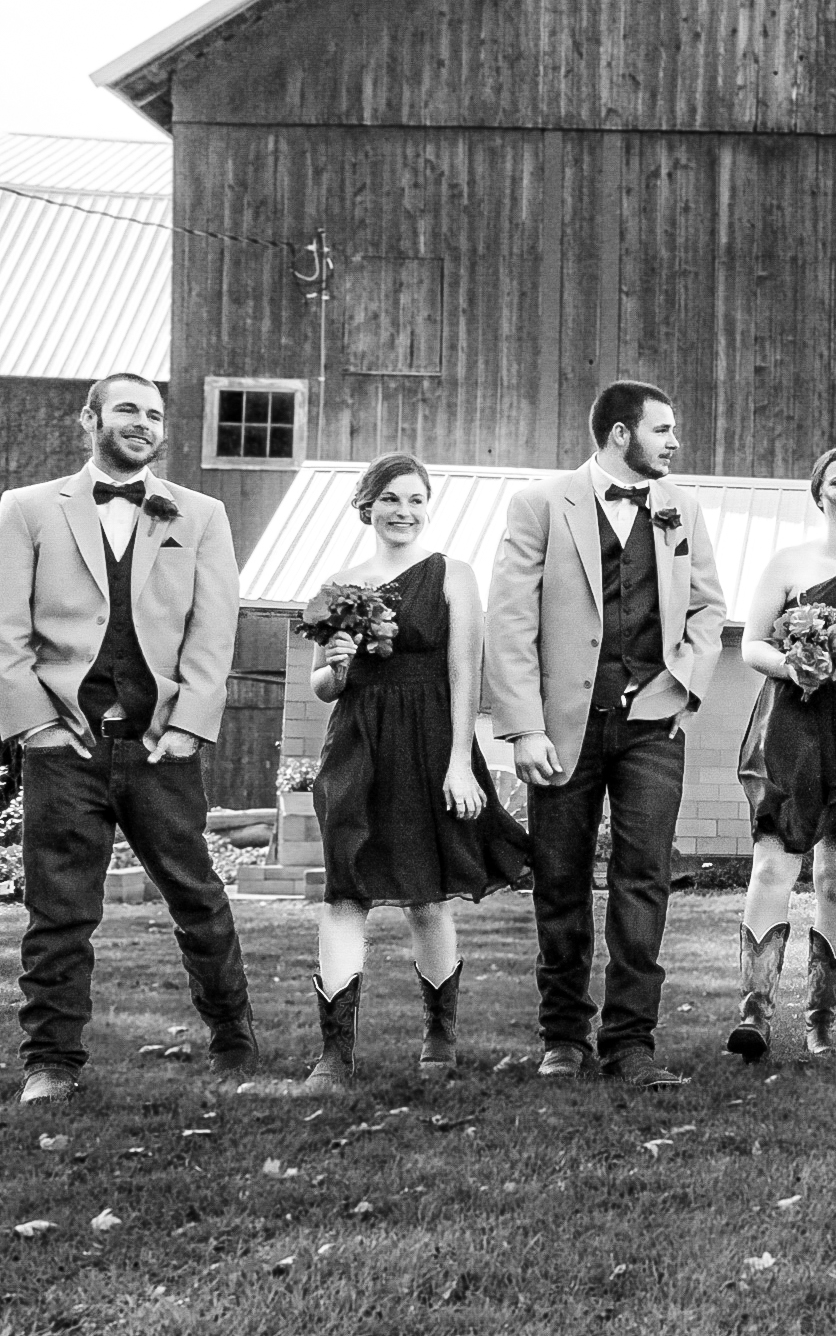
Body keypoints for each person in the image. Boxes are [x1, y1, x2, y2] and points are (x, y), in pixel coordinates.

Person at [0, 373, 256, 1104]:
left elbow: (214, 630)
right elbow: (6, 631)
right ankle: (51, 1060)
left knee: (197, 894)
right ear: (90, 419)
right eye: (126, 410)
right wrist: (38, 727)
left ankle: (233, 1033)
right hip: (64, 746)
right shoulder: (25, 510)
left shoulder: (199, 514)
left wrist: (186, 728)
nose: (142, 422)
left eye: (153, 413)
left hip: (159, 746)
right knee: (59, 909)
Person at [486, 381, 726, 1089]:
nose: (674, 442)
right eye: (663, 429)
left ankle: (630, 1042)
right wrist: (524, 728)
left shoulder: (683, 507)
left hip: (653, 720)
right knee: (559, 877)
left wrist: (686, 686)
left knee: (644, 876)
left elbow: (709, 609)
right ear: (621, 435)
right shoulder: (540, 504)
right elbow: (509, 623)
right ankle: (563, 1035)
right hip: (563, 726)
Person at [300, 454, 528, 1090]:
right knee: (345, 891)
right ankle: (334, 1053)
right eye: (392, 499)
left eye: (417, 500)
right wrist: (338, 665)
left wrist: (461, 762)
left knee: (426, 897)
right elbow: (321, 684)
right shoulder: (340, 583)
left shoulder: (453, 574)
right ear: (367, 506)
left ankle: (439, 1033)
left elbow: (464, 671)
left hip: (430, 741)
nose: (404, 511)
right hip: (356, 743)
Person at [728, 445, 836, 1060]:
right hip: (788, 728)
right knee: (772, 866)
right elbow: (752, 644)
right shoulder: (788, 561)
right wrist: (794, 665)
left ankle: (820, 1019)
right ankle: (755, 1013)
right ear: (819, 493)